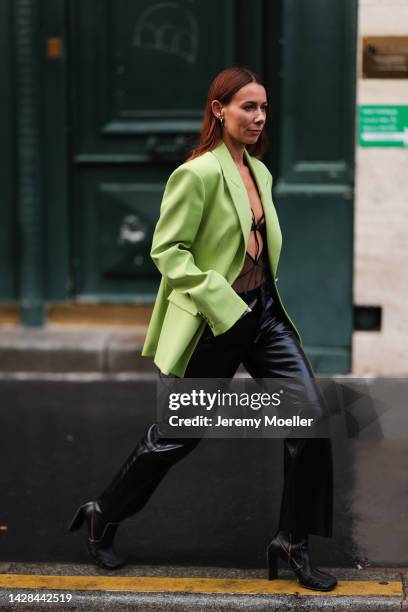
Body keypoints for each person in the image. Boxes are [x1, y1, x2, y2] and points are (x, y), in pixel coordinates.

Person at [68, 66, 337, 592]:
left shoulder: (259, 172)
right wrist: (222, 301)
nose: (259, 117)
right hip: (219, 320)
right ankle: (102, 513)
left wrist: (257, 304)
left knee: (310, 420)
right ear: (219, 110)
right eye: (247, 108)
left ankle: (293, 539)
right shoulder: (196, 173)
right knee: (178, 435)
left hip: (264, 313)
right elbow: (168, 251)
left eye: (263, 108)